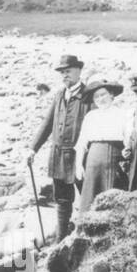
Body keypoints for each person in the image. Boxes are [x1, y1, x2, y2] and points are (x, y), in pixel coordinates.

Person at [26, 53, 90, 238]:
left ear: (79, 71)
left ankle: (85, 237)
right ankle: (61, 239)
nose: (65, 75)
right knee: (62, 200)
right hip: (58, 156)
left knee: (86, 196)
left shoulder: (87, 96)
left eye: (68, 71)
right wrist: (33, 149)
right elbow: (47, 123)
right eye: (62, 72)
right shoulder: (59, 94)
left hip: (79, 156)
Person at [73, 80, 128, 211]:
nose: (100, 99)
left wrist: (127, 151)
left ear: (112, 95)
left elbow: (128, 137)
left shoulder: (122, 114)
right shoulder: (90, 117)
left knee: (111, 197)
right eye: (96, 97)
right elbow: (81, 143)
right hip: (93, 161)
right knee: (90, 198)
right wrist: (79, 165)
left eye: (103, 94)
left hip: (114, 160)